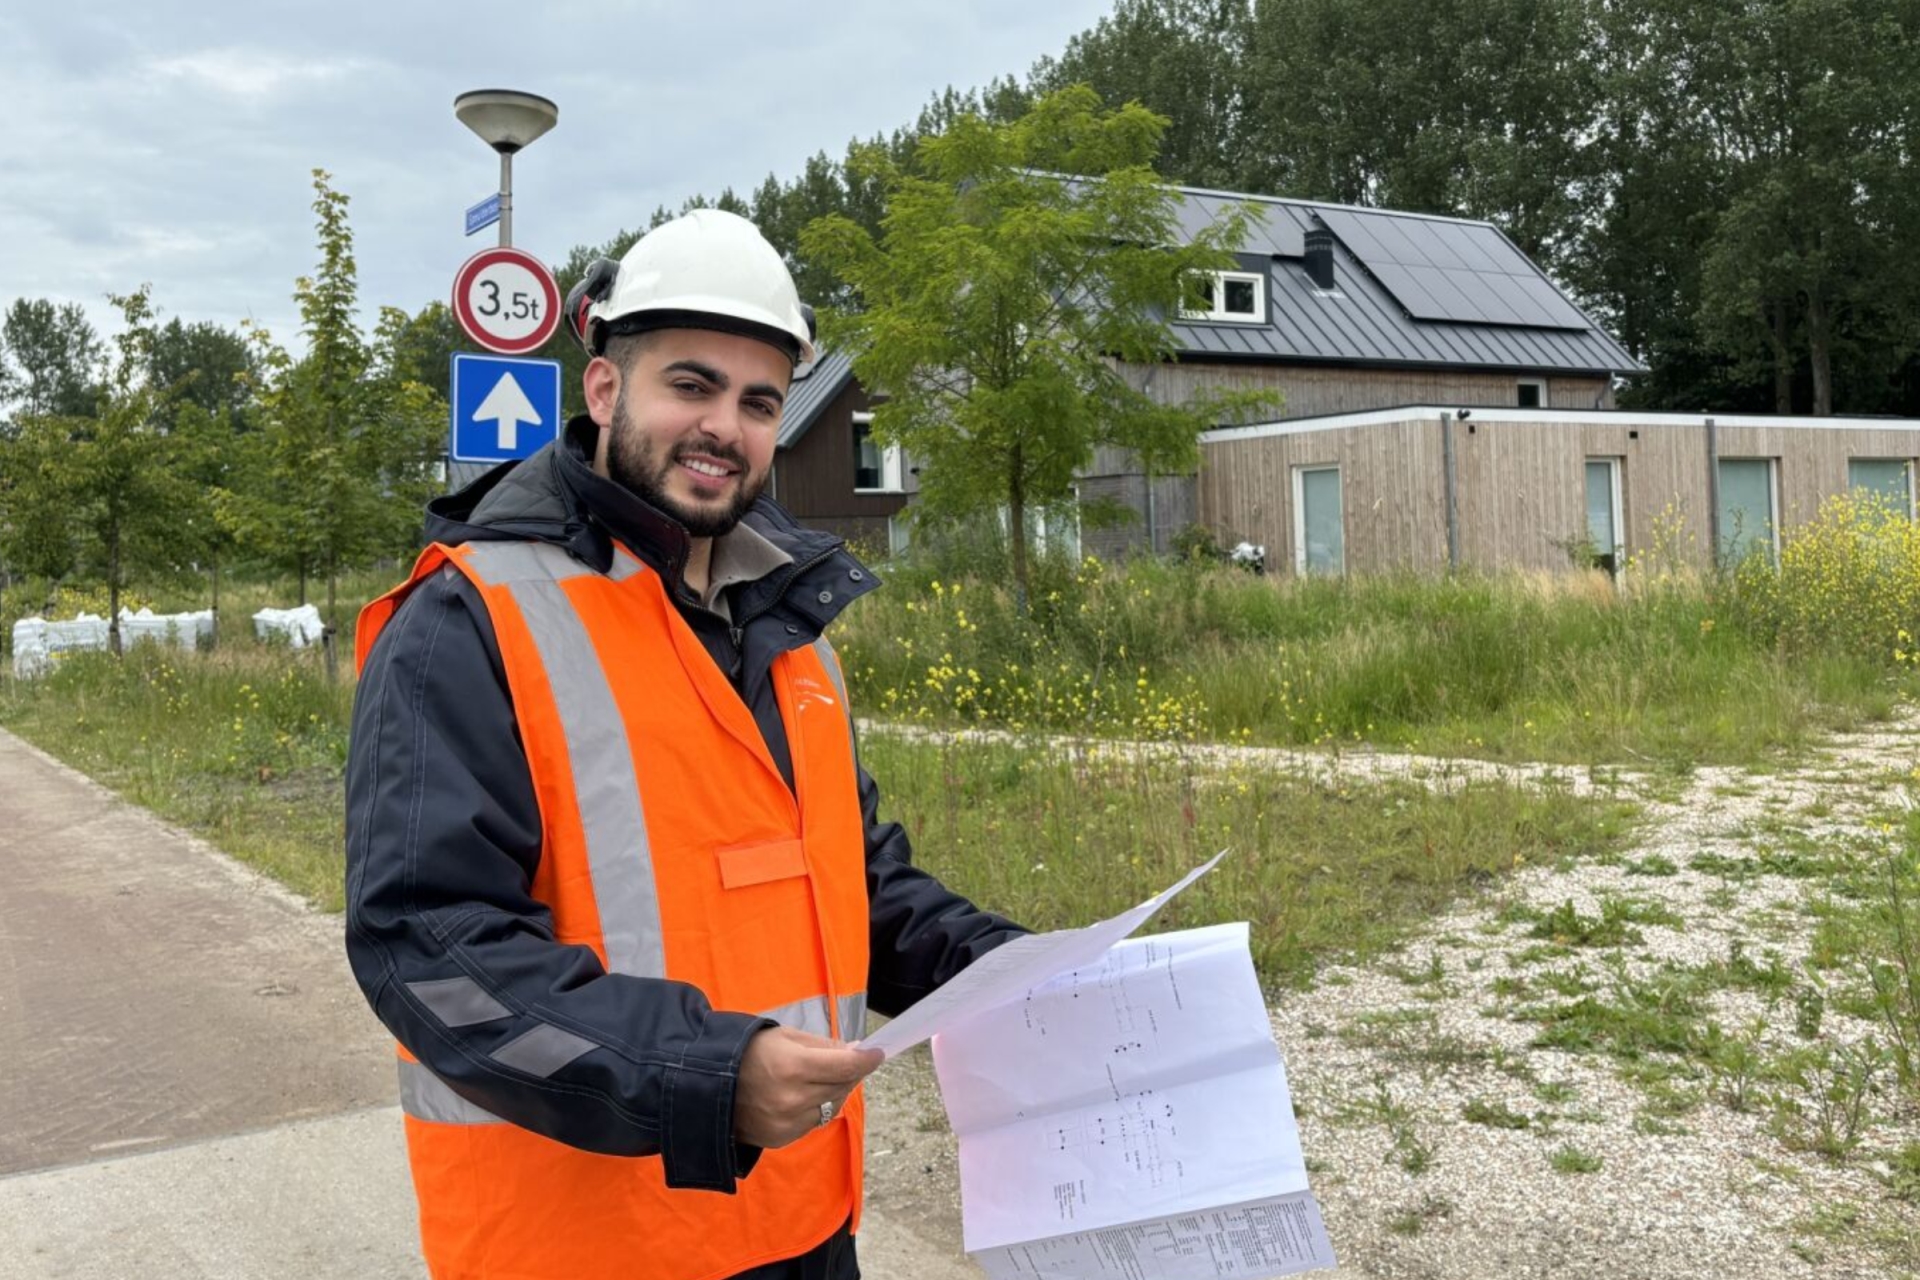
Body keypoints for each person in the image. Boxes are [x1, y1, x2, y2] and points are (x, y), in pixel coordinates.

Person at [344, 209, 1025, 1280]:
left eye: (759, 401)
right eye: (691, 385)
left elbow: (853, 879)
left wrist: (1014, 966)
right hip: (585, 1247)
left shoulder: (785, 628)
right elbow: (429, 943)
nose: (726, 425)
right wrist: (709, 1072)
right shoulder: (467, 619)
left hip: (799, 1223)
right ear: (606, 390)